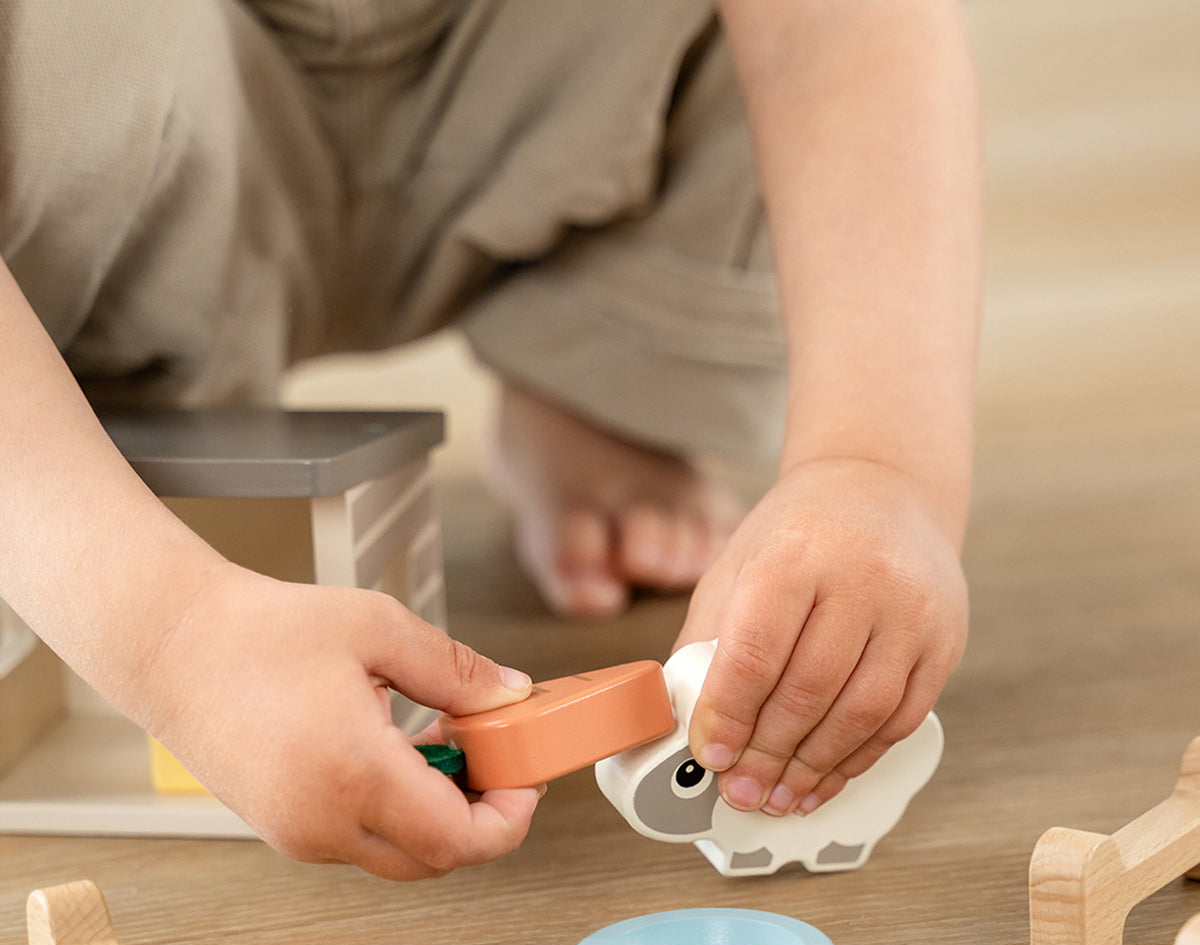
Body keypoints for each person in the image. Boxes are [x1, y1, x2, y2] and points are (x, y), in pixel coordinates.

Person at [0, 0, 978, 881]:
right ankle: (70, 479)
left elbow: (837, 28)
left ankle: (600, 353)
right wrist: (171, 632)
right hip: (120, 145)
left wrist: (880, 464)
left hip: (516, 86)